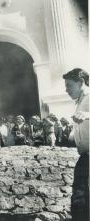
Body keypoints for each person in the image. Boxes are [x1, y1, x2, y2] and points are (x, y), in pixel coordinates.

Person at [63, 68, 89, 221]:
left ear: (80, 82)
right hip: (85, 157)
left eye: (69, 85)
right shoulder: (80, 101)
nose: (66, 90)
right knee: (80, 200)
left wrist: (87, 115)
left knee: (81, 200)